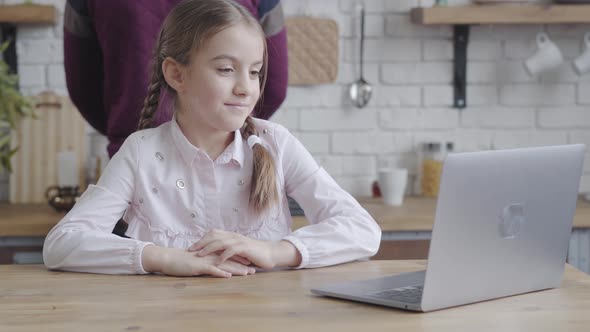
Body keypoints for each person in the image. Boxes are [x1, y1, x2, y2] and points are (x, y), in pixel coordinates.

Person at [44, 0, 381, 278]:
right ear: (177, 74)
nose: (246, 88)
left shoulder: (276, 144)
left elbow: (363, 229)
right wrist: (161, 258)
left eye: (254, 71)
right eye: (225, 69)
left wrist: (274, 251)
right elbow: (62, 243)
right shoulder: (140, 153)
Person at [64, 0, 288, 158]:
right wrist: (228, 123)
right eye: (226, 69)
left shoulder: (133, 156)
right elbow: (275, 86)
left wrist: (127, 127)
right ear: (173, 73)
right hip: (228, 155)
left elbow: (82, 86)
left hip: (132, 149)